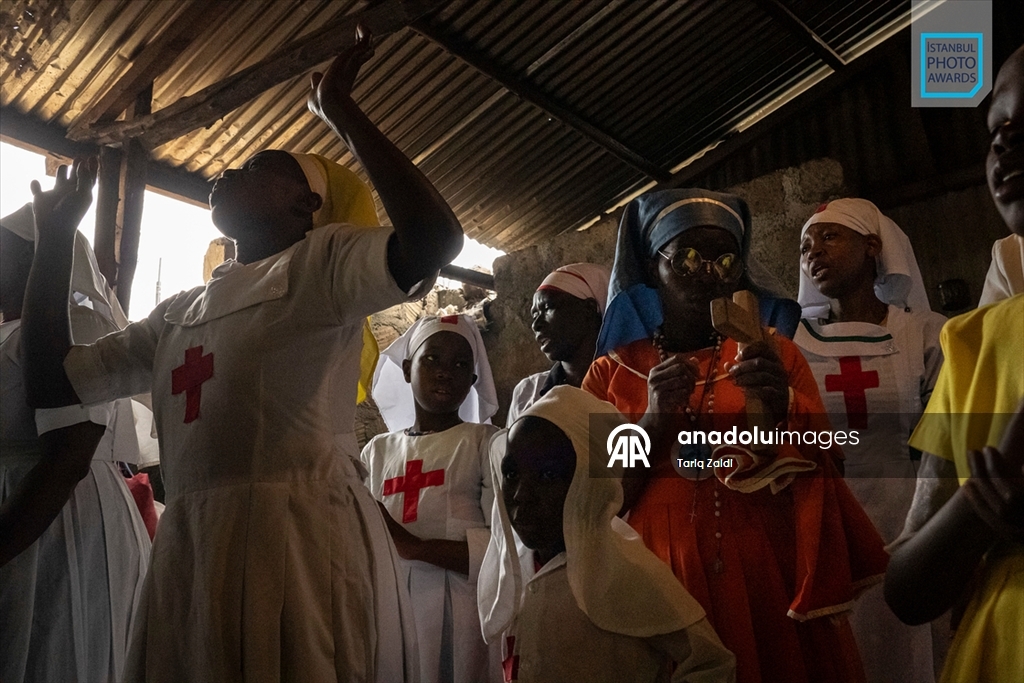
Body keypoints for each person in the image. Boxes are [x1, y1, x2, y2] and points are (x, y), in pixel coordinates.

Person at [20, 26, 463, 682]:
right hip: (194, 546)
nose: (229, 168)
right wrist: (55, 241)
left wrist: (342, 112)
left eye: (259, 166)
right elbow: (58, 383)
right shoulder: (178, 312)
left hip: (297, 541)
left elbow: (433, 240)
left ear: (305, 204)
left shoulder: (323, 260)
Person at [583, 188, 889, 683]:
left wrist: (781, 411)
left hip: (764, 567)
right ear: (651, 265)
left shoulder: (772, 354)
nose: (708, 272)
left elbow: (833, 467)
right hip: (658, 578)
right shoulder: (610, 374)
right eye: (685, 257)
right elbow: (600, 499)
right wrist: (653, 422)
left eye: (725, 259)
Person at [884, 44, 1024, 683]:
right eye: (996, 127)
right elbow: (907, 589)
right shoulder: (973, 345)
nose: (1005, 144)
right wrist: (984, 504)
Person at [480, 385, 736, 682]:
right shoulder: (515, 570)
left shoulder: (627, 571)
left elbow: (713, 664)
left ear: (591, 486)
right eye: (511, 474)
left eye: (548, 476)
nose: (522, 495)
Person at [1, 177, 151, 681]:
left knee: (50, 648)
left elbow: (70, 452)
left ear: (36, 260)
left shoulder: (77, 328)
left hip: (53, 514)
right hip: (16, 497)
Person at [795, 198, 947, 682]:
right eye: (805, 245)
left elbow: (946, 444)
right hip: (824, 523)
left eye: (830, 237)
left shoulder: (924, 333)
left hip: (909, 518)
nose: (813, 252)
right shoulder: (791, 343)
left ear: (873, 247)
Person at [362, 314, 500, 683]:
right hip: (390, 609)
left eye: (460, 365)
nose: (444, 372)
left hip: (463, 609)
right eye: (432, 359)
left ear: (472, 382)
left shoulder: (485, 442)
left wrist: (415, 547)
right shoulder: (377, 452)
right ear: (408, 369)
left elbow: (504, 547)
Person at [506, 263, 609, 426]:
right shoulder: (529, 392)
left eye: (548, 307)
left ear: (589, 309)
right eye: (534, 315)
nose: (536, 325)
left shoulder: (626, 383)